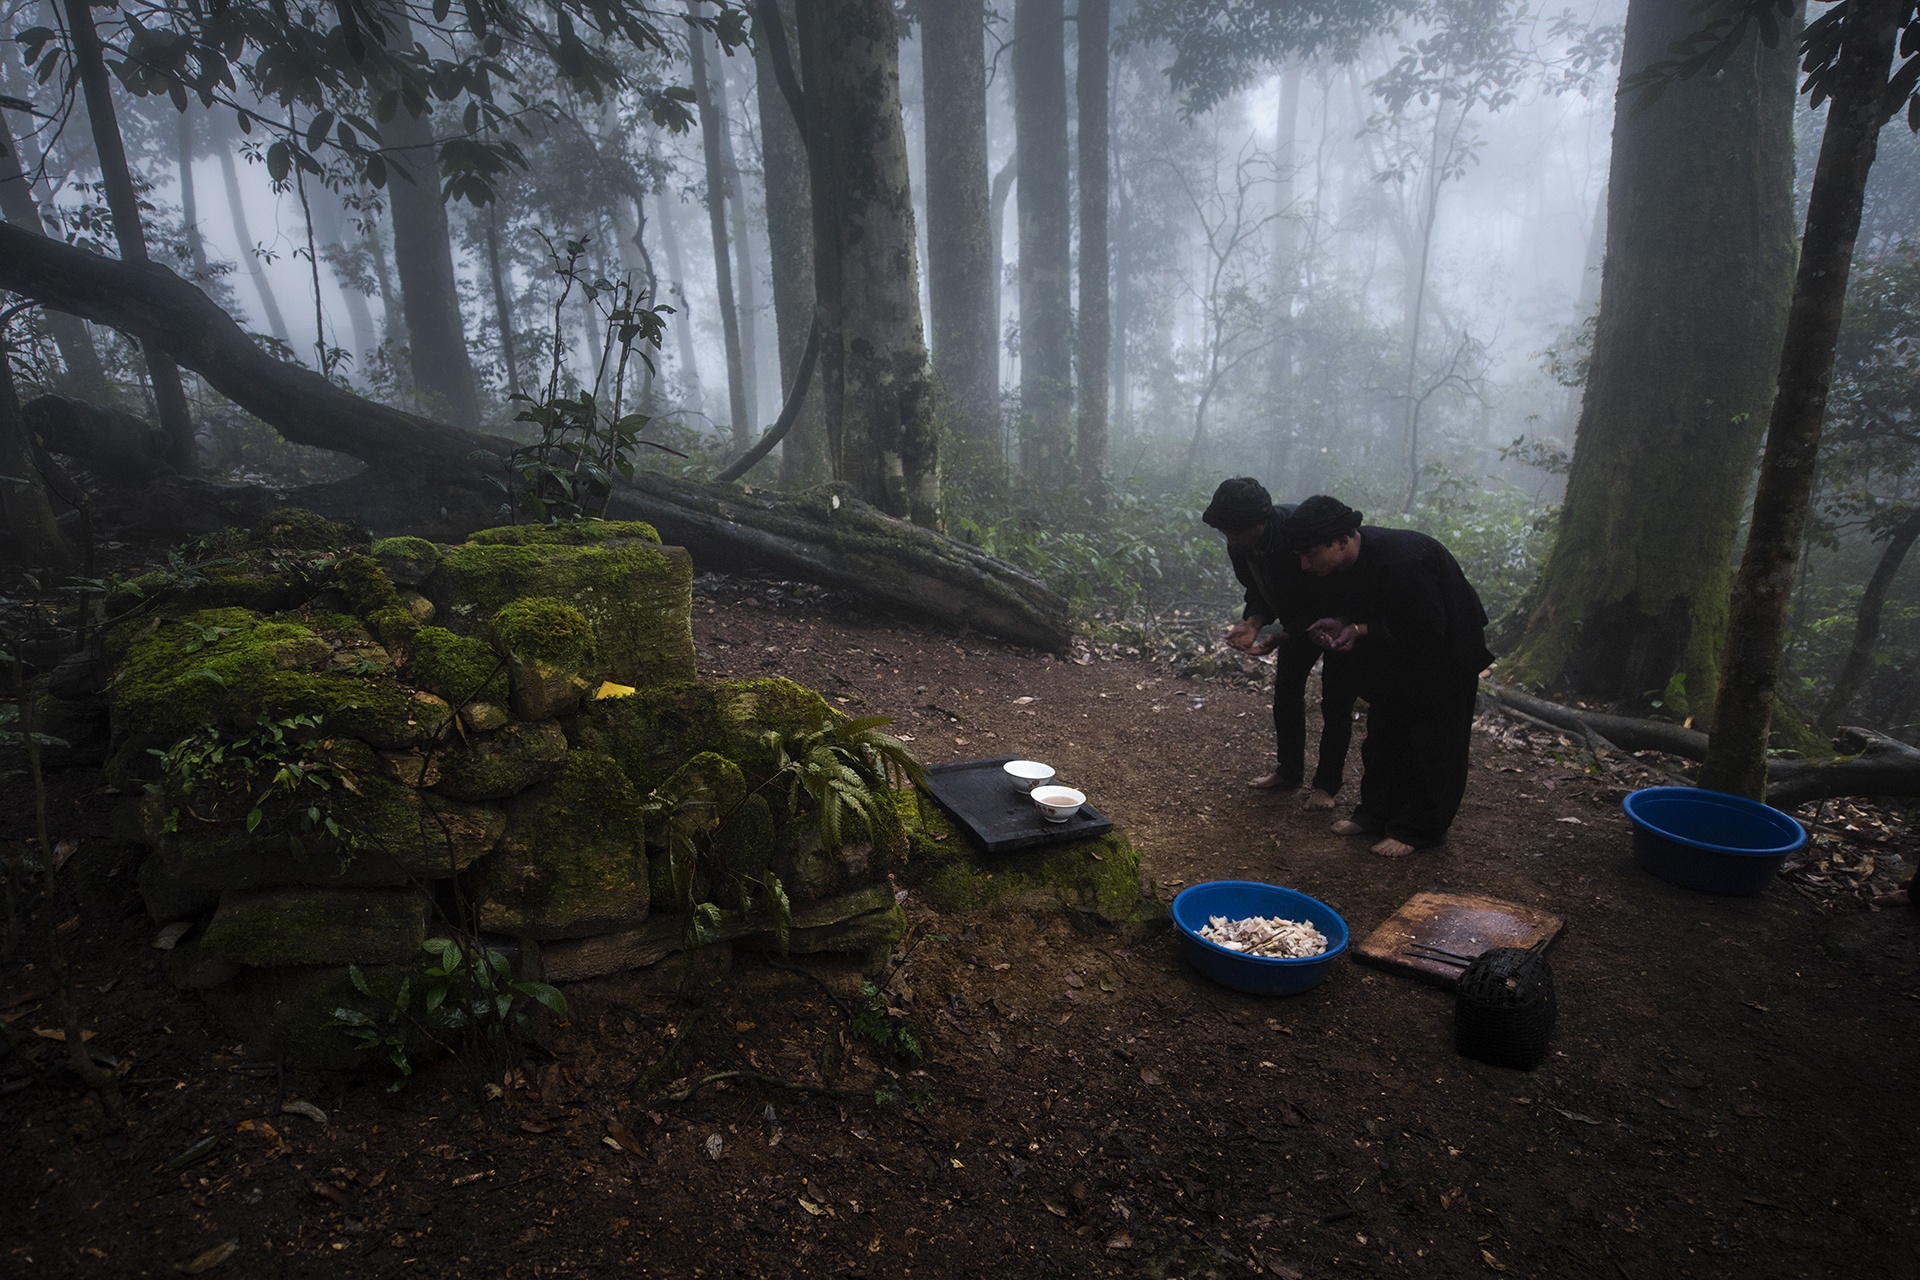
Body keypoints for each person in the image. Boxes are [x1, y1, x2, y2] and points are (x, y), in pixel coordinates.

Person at [1277, 494, 1493, 857]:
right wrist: (1343, 622)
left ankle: (1419, 829)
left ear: (1343, 540)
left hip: (1446, 656)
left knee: (1432, 746)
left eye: (1310, 554)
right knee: (1382, 739)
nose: (1304, 564)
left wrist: (1362, 629)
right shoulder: (1337, 567)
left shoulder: (1403, 560)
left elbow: (1428, 625)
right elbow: (1365, 609)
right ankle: (1374, 814)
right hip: (1396, 661)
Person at [1202, 477, 1359, 809]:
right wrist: (1253, 622)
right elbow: (1257, 588)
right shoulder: (1239, 543)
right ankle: (1289, 771)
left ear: (1260, 522)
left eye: (1234, 531)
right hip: (1293, 623)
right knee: (1287, 694)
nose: (1229, 539)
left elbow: (1323, 591)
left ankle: (1326, 786)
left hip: (1338, 619)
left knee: (1336, 701)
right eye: (1225, 532)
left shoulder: (1299, 534)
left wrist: (1283, 636)